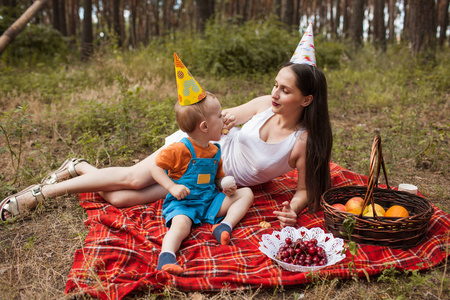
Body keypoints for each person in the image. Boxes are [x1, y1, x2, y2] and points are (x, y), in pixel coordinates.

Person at [1, 23, 332, 227]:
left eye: (284, 90)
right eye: (275, 84)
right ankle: (42, 193)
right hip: (192, 151)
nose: (274, 93)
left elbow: (304, 190)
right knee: (132, 177)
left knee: (119, 199)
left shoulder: (300, 142)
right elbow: (213, 118)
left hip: (207, 180)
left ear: (306, 100)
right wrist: (226, 121)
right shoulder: (263, 105)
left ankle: (79, 166)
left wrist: (293, 207)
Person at [152, 90, 253, 275]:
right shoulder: (180, 149)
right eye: (220, 116)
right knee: (181, 225)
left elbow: (217, 178)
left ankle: (224, 226)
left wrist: (224, 184)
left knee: (246, 193)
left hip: (209, 201)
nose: (224, 119)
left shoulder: (215, 151)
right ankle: (166, 257)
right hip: (185, 204)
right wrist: (172, 187)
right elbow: (155, 168)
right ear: (205, 126)